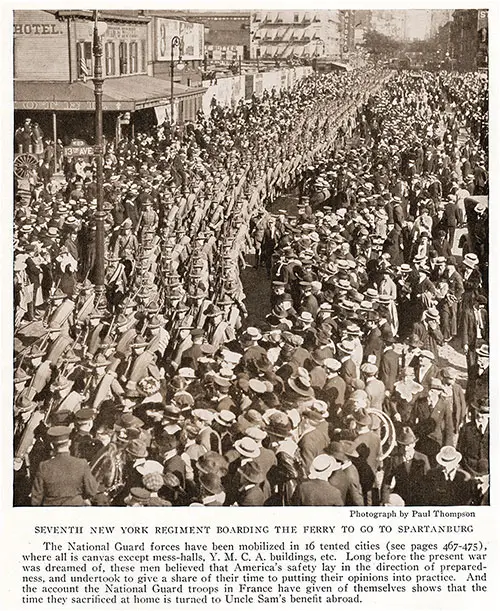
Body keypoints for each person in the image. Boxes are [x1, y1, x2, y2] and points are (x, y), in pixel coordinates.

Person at [31, 426, 98, 506]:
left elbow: (36, 498)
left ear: (52, 445)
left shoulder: (44, 466)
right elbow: (91, 491)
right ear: (69, 443)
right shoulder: (81, 463)